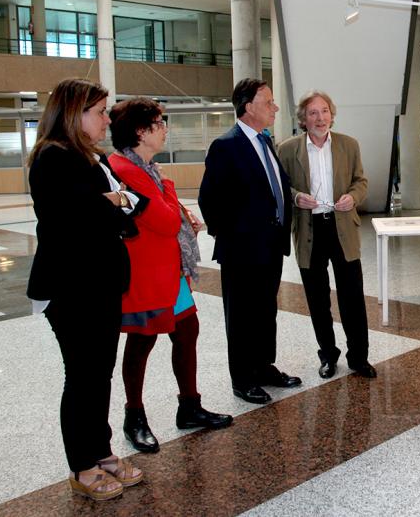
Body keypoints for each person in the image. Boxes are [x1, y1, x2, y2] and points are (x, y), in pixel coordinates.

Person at [27, 78, 143, 501]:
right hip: (72, 289)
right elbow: (75, 217)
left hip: (102, 284)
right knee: (81, 376)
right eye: (99, 111)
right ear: (74, 113)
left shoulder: (91, 160)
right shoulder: (51, 158)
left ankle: (101, 450)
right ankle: (81, 464)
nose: (106, 118)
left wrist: (113, 202)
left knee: (100, 374)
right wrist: (111, 202)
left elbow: (125, 212)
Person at [107, 98, 233, 454]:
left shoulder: (147, 167)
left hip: (168, 269)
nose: (165, 129)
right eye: (160, 123)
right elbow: (162, 220)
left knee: (187, 329)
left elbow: (167, 215)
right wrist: (170, 192)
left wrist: (172, 204)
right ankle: (134, 417)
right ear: (140, 131)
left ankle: (189, 405)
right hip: (146, 272)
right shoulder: (126, 169)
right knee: (142, 340)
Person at [198, 78, 300, 405]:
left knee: (264, 309)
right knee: (241, 315)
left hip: (270, 246)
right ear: (248, 106)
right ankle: (242, 378)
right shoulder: (225, 146)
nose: (275, 107)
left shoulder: (266, 142)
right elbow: (209, 200)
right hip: (242, 250)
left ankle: (263, 366)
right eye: (268, 102)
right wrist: (234, 236)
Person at [277, 91, 376, 379]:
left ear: (332, 114)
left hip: (342, 227)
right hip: (309, 230)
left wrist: (352, 197)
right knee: (317, 299)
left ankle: (358, 357)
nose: (320, 118)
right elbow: (282, 189)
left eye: (324, 111)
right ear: (303, 119)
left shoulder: (349, 145)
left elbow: (361, 181)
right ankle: (328, 356)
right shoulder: (287, 149)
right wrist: (296, 199)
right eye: (313, 113)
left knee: (352, 297)